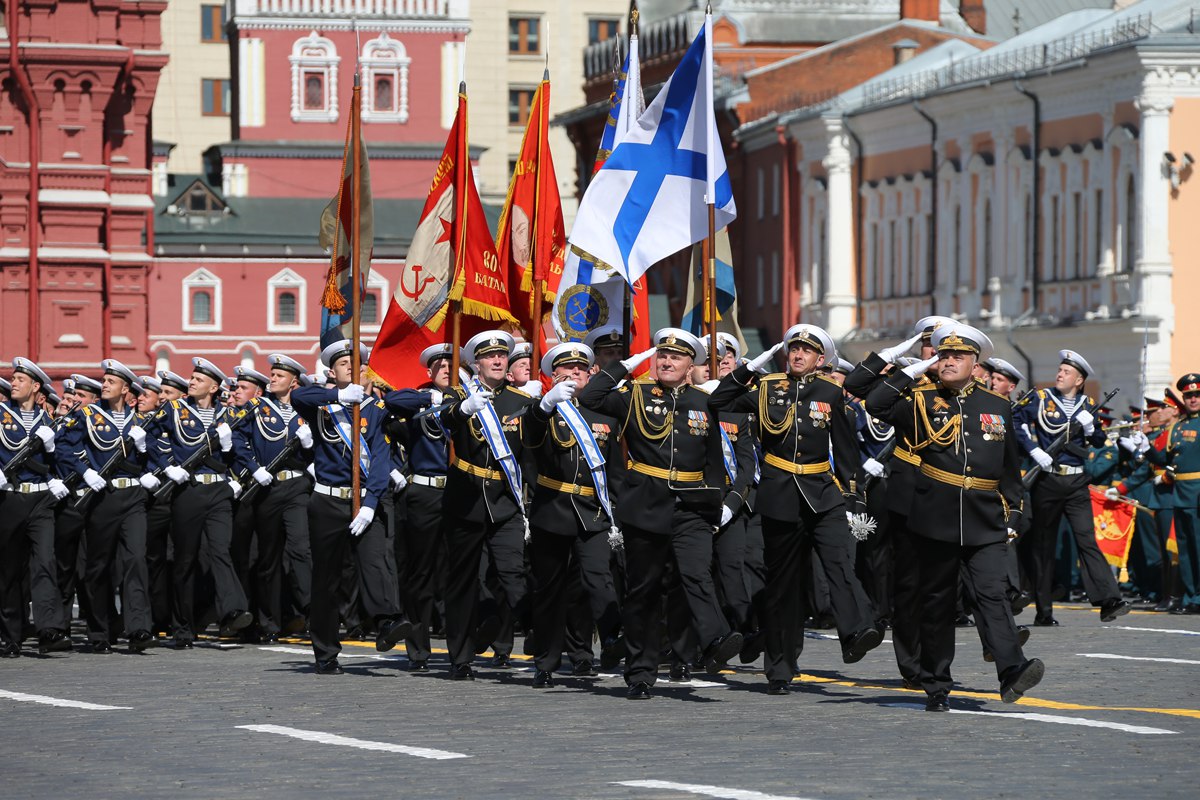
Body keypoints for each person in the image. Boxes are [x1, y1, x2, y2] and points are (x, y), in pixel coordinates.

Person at [866, 323, 1044, 711]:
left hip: (984, 517)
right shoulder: (922, 400)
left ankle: (1012, 670)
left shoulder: (996, 406)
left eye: (957, 357)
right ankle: (936, 683)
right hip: (935, 515)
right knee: (937, 602)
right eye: (943, 355)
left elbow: (1009, 470)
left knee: (992, 594)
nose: (948, 361)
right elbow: (875, 402)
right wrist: (912, 368)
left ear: (975, 364)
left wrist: (1014, 513)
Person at [709, 324, 881, 696]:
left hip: (823, 492)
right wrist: (750, 368)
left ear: (822, 360)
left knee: (838, 562)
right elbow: (718, 400)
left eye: (807, 350)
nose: (798, 354)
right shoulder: (766, 388)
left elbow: (847, 451)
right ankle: (780, 667)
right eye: (793, 349)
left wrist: (853, 497)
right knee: (783, 586)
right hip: (780, 493)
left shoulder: (831, 393)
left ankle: (855, 632)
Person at [578, 328, 742, 699]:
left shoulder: (704, 401)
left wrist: (716, 504)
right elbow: (590, 396)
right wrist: (627, 365)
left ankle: (715, 638)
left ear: (690, 366)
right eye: (662, 356)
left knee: (696, 573)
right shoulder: (634, 395)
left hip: (692, 504)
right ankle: (640, 672)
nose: (667, 362)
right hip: (646, 505)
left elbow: (714, 460)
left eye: (677, 358)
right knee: (643, 591)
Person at [291, 340, 411, 675]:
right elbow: (299, 396)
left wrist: (372, 504)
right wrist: (337, 396)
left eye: (357, 364)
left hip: (362, 501)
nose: (351, 368)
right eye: (343, 363)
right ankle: (326, 651)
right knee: (327, 579)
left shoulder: (374, 408)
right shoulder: (321, 404)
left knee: (375, 563)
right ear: (332, 371)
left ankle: (387, 621)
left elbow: (381, 460)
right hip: (327, 501)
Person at [438, 330, 536, 680]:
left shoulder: (519, 400)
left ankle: (534, 630)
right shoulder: (457, 396)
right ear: (475, 363)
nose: (497, 361)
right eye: (489, 357)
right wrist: (460, 411)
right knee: (463, 579)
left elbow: (529, 454)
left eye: (502, 356)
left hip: (505, 498)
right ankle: (460, 657)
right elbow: (435, 421)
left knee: (513, 571)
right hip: (466, 496)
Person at [525, 342, 624, 688]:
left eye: (581, 369)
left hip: (592, 511)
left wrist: (617, 514)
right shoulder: (544, 410)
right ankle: (546, 662)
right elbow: (530, 439)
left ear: (592, 373)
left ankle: (607, 640)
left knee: (596, 579)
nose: (574, 374)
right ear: (553, 376)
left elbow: (614, 469)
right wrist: (543, 407)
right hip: (553, 509)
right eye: (566, 370)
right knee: (550, 591)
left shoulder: (605, 414)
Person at [1014, 350, 1130, 625]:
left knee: (1087, 539)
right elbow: (1016, 420)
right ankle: (1044, 611)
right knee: (1043, 546)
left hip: (1077, 481)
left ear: (1078, 380)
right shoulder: (1041, 399)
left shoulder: (1088, 404)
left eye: (1066, 372)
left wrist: (1091, 430)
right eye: (1060, 370)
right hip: (1048, 479)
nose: (1059, 374)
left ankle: (1108, 600)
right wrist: (1033, 450)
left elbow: (1100, 441)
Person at [150, 357, 252, 648]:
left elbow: (243, 450)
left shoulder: (230, 415)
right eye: (192, 377)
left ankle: (233, 610)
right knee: (185, 560)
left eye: (197, 379)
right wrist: (167, 466)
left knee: (220, 551)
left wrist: (236, 472)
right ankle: (182, 626)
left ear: (214, 387)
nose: (191, 382)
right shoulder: (174, 409)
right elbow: (148, 436)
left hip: (218, 491)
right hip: (189, 491)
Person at [58, 360, 157, 653]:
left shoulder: (139, 421)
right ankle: (101, 629)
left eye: (112, 382)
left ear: (126, 389)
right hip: (102, 498)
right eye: (105, 381)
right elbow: (64, 447)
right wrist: (84, 470)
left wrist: (144, 451)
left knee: (136, 559)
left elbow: (154, 458)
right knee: (98, 567)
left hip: (133, 497)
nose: (105, 385)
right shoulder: (88, 414)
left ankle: (139, 628)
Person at [230, 356, 315, 643]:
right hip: (267, 488)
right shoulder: (257, 407)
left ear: (294, 382)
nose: (272, 379)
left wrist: (309, 445)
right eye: (272, 374)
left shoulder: (307, 411)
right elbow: (238, 439)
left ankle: (312, 611)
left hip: (297, 486)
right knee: (269, 559)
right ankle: (269, 623)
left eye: (279, 375)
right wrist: (254, 469)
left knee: (301, 547)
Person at [383, 344, 454, 671]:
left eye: (451, 364)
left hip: (460, 492)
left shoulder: (470, 399)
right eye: (439, 365)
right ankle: (419, 648)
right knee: (421, 574)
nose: (446, 369)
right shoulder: (419, 400)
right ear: (428, 372)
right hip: (425, 494)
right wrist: (430, 399)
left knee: (459, 571)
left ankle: (464, 646)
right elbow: (391, 401)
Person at [0, 358, 72, 657]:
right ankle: (10, 636)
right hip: (10, 499)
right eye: (13, 378)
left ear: (35, 387)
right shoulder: (2, 415)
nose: (13, 383)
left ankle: (49, 630)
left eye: (19, 379)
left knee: (45, 562)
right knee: (8, 571)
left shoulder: (48, 422)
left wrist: (53, 456)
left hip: (41, 500)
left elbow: (62, 461)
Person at [1132, 374, 1200, 614]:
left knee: (1198, 548)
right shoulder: (1177, 428)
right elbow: (1165, 459)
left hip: (1197, 494)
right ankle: (1192, 596)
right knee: (1185, 550)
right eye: (1189, 396)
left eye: (1197, 395)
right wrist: (1147, 448)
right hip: (1179, 495)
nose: (1193, 399)